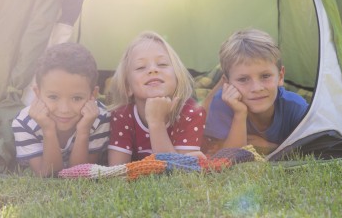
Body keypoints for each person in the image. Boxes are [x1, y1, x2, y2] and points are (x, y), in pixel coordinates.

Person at [203, 29, 308, 155]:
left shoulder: (295, 107)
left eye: (265, 76)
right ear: (227, 83)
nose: (256, 88)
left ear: (280, 77)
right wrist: (239, 114)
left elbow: (309, 152)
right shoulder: (222, 103)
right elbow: (226, 157)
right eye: (243, 79)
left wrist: (269, 147)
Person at [107, 31, 206, 165]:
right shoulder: (122, 115)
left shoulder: (191, 112)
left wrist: (156, 122)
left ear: (177, 77)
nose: (153, 70)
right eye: (141, 67)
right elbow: (116, 172)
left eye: (162, 64)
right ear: (127, 86)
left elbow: (180, 174)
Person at [12, 43, 110, 177]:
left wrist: (83, 131)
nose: (64, 109)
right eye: (53, 97)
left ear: (93, 95)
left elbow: (79, 176)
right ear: (38, 93)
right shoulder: (24, 123)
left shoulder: (99, 118)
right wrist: (48, 130)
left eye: (76, 98)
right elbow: (48, 175)